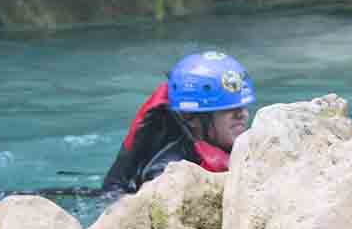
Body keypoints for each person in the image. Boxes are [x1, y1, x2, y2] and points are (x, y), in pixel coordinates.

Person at [102, 51, 256, 194]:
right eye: (228, 109)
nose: (241, 114)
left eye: (242, 106)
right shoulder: (166, 175)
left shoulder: (250, 149)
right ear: (192, 118)